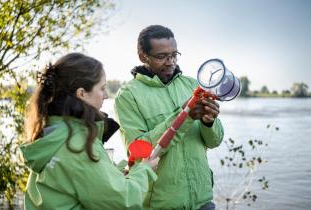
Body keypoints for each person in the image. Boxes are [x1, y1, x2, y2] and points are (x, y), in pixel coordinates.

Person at [21, 53, 158, 210]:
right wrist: (144, 170)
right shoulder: (78, 146)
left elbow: (82, 181)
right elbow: (122, 202)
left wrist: (119, 172)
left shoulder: (52, 134)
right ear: (81, 94)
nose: (106, 95)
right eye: (102, 88)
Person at [114, 25, 224, 210]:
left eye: (174, 55)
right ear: (143, 56)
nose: (170, 62)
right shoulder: (127, 96)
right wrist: (185, 115)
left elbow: (215, 141)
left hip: (203, 200)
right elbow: (139, 151)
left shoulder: (192, 85)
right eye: (161, 56)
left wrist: (209, 122)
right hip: (161, 204)